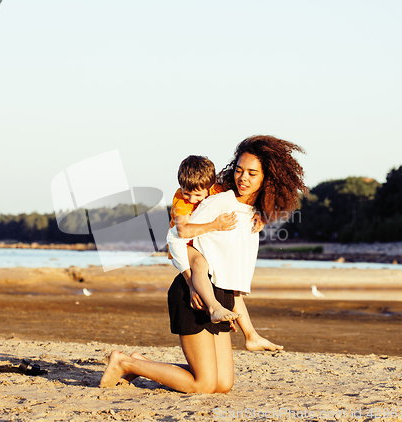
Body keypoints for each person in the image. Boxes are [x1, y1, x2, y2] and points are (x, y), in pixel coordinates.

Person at [100, 135, 307, 393]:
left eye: (252, 173)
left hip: (221, 297)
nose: (243, 178)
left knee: (223, 385)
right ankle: (123, 363)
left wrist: (248, 329)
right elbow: (175, 235)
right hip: (194, 292)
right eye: (240, 170)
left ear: (268, 179)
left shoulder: (252, 214)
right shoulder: (219, 201)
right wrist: (190, 281)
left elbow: (232, 272)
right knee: (204, 384)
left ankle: (140, 363)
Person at [168, 155, 281, 351]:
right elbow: (182, 231)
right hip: (185, 246)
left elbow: (238, 205)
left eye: (197, 195)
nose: (192, 200)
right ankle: (214, 307)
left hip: (201, 246)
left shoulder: (219, 192)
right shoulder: (181, 199)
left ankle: (251, 335)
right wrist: (215, 225)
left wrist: (259, 215)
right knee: (200, 266)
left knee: (233, 289)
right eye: (188, 194)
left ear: (210, 185)